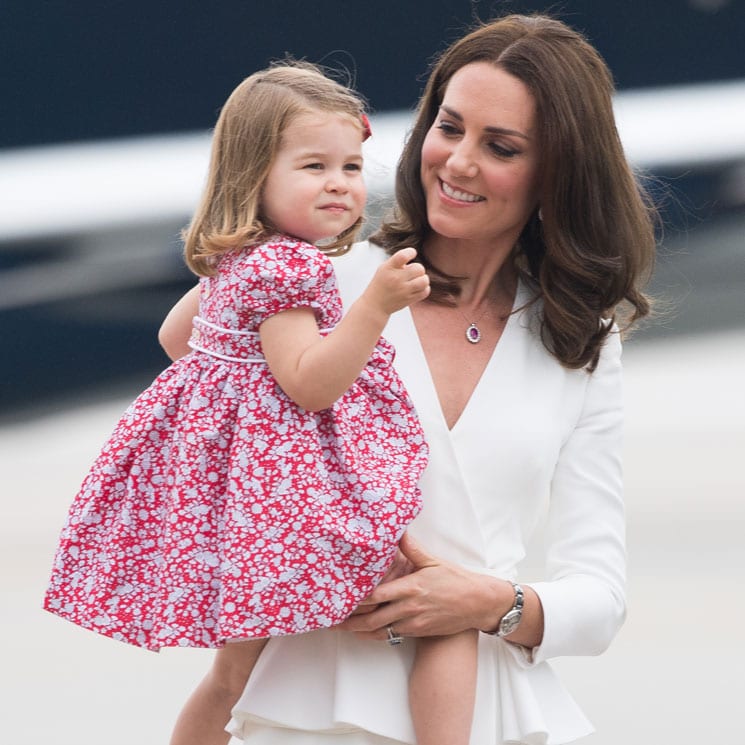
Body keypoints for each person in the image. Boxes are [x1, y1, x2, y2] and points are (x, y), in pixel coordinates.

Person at [159, 13, 657, 745]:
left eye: (501, 146)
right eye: (448, 127)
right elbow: (194, 361)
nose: (456, 163)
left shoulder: (580, 341)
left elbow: (600, 598)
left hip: (491, 713)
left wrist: (490, 601)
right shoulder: (317, 282)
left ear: (556, 171)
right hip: (307, 702)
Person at [44, 61, 483, 745]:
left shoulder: (237, 256)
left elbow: (175, 337)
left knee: (230, 679)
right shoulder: (291, 266)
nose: (339, 184)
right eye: (314, 166)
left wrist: (238, 408)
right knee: (438, 607)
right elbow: (311, 382)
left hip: (250, 498)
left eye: (349, 165)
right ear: (254, 175)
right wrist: (375, 305)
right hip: (290, 504)